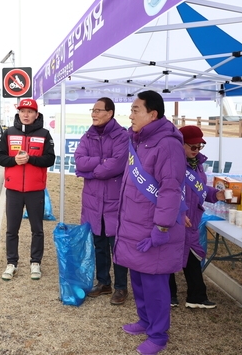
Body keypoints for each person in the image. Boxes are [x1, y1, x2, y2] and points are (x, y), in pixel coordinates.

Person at [113, 90, 186, 355]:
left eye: (135, 110)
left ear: (152, 114)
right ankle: (145, 322)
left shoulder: (167, 144)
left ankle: (158, 335)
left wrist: (162, 227)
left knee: (155, 286)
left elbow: (170, 189)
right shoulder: (140, 142)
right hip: (135, 226)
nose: (130, 115)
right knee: (139, 280)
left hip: (154, 228)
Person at [74, 97, 129, 305]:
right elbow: (79, 160)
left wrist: (92, 170)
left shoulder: (122, 136)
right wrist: (101, 163)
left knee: (118, 246)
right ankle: (104, 282)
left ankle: (121, 287)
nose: (94, 114)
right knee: (98, 243)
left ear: (110, 113)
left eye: (98, 110)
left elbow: (116, 165)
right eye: (93, 110)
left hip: (115, 201)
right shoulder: (88, 135)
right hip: (93, 200)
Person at [0, 98, 55, 281]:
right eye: (23, 111)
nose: (26, 115)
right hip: (13, 189)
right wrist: (14, 160)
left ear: (36, 115)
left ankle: (35, 262)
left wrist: (31, 159)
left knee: (37, 229)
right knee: (11, 229)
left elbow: (50, 159)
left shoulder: (45, 134)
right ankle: (11, 263)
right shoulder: (8, 133)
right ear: (18, 113)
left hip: (35, 190)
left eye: (30, 112)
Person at [170, 125, 225, 309]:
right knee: (170, 254)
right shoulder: (171, 163)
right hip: (177, 218)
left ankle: (196, 296)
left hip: (193, 219)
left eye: (199, 147)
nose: (196, 151)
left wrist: (214, 195)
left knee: (193, 256)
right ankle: (170, 295)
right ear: (181, 144)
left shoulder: (198, 164)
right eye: (192, 146)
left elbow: (199, 190)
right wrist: (178, 211)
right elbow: (166, 191)